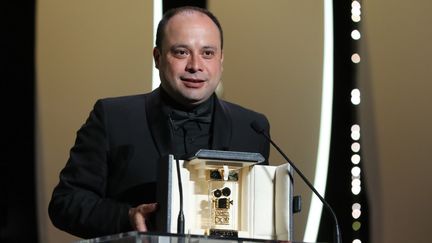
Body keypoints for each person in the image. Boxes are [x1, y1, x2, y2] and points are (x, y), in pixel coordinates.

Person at [48, 6, 270, 239]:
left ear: (221, 59)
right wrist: (127, 216)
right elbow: (66, 203)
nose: (196, 65)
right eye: (182, 52)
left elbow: (259, 212)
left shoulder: (253, 127)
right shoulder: (113, 117)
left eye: (207, 53)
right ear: (158, 58)